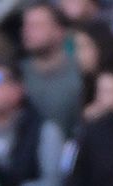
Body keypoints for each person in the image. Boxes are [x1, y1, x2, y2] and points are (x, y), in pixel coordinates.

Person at [19, 2, 83, 138]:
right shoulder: (16, 74)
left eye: (36, 26)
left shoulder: (80, 73)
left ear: (59, 31)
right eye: (26, 25)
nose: (27, 31)